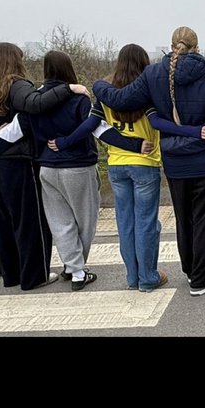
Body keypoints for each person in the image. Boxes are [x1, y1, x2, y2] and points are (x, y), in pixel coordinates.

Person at [93, 26, 205, 297]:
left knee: (184, 220)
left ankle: (189, 272)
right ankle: (200, 279)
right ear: (197, 48)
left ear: (171, 45)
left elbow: (121, 99)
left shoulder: (153, 74)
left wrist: (97, 85)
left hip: (174, 162)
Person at [0, 43, 89, 290]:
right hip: (17, 161)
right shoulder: (17, 85)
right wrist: (68, 88)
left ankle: (12, 275)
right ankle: (35, 276)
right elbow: (34, 104)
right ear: (14, 60)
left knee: (3, 220)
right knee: (28, 220)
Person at [66, 44, 169, 292]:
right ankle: (148, 277)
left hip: (116, 164)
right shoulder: (148, 91)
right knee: (147, 224)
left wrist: (64, 142)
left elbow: (92, 124)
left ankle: (132, 277)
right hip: (145, 163)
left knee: (125, 223)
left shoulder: (107, 92)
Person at [23, 50, 100, 292]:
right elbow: (91, 126)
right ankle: (78, 269)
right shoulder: (80, 98)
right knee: (85, 220)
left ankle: (73, 267)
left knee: (60, 221)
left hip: (47, 165)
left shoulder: (36, 99)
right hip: (78, 166)